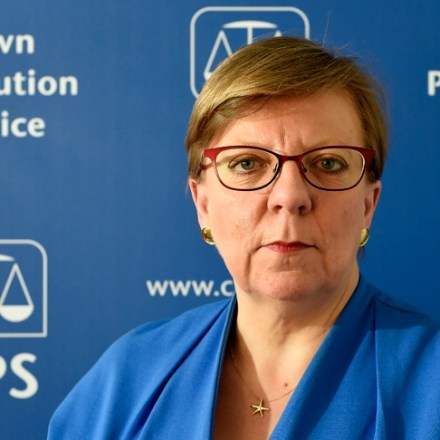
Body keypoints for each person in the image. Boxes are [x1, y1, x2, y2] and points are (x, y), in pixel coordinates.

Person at [48, 36, 440, 439]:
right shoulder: (127, 379)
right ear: (202, 203)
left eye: (328, 162)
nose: (290, 197)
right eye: (248, 163)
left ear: (368, 204)